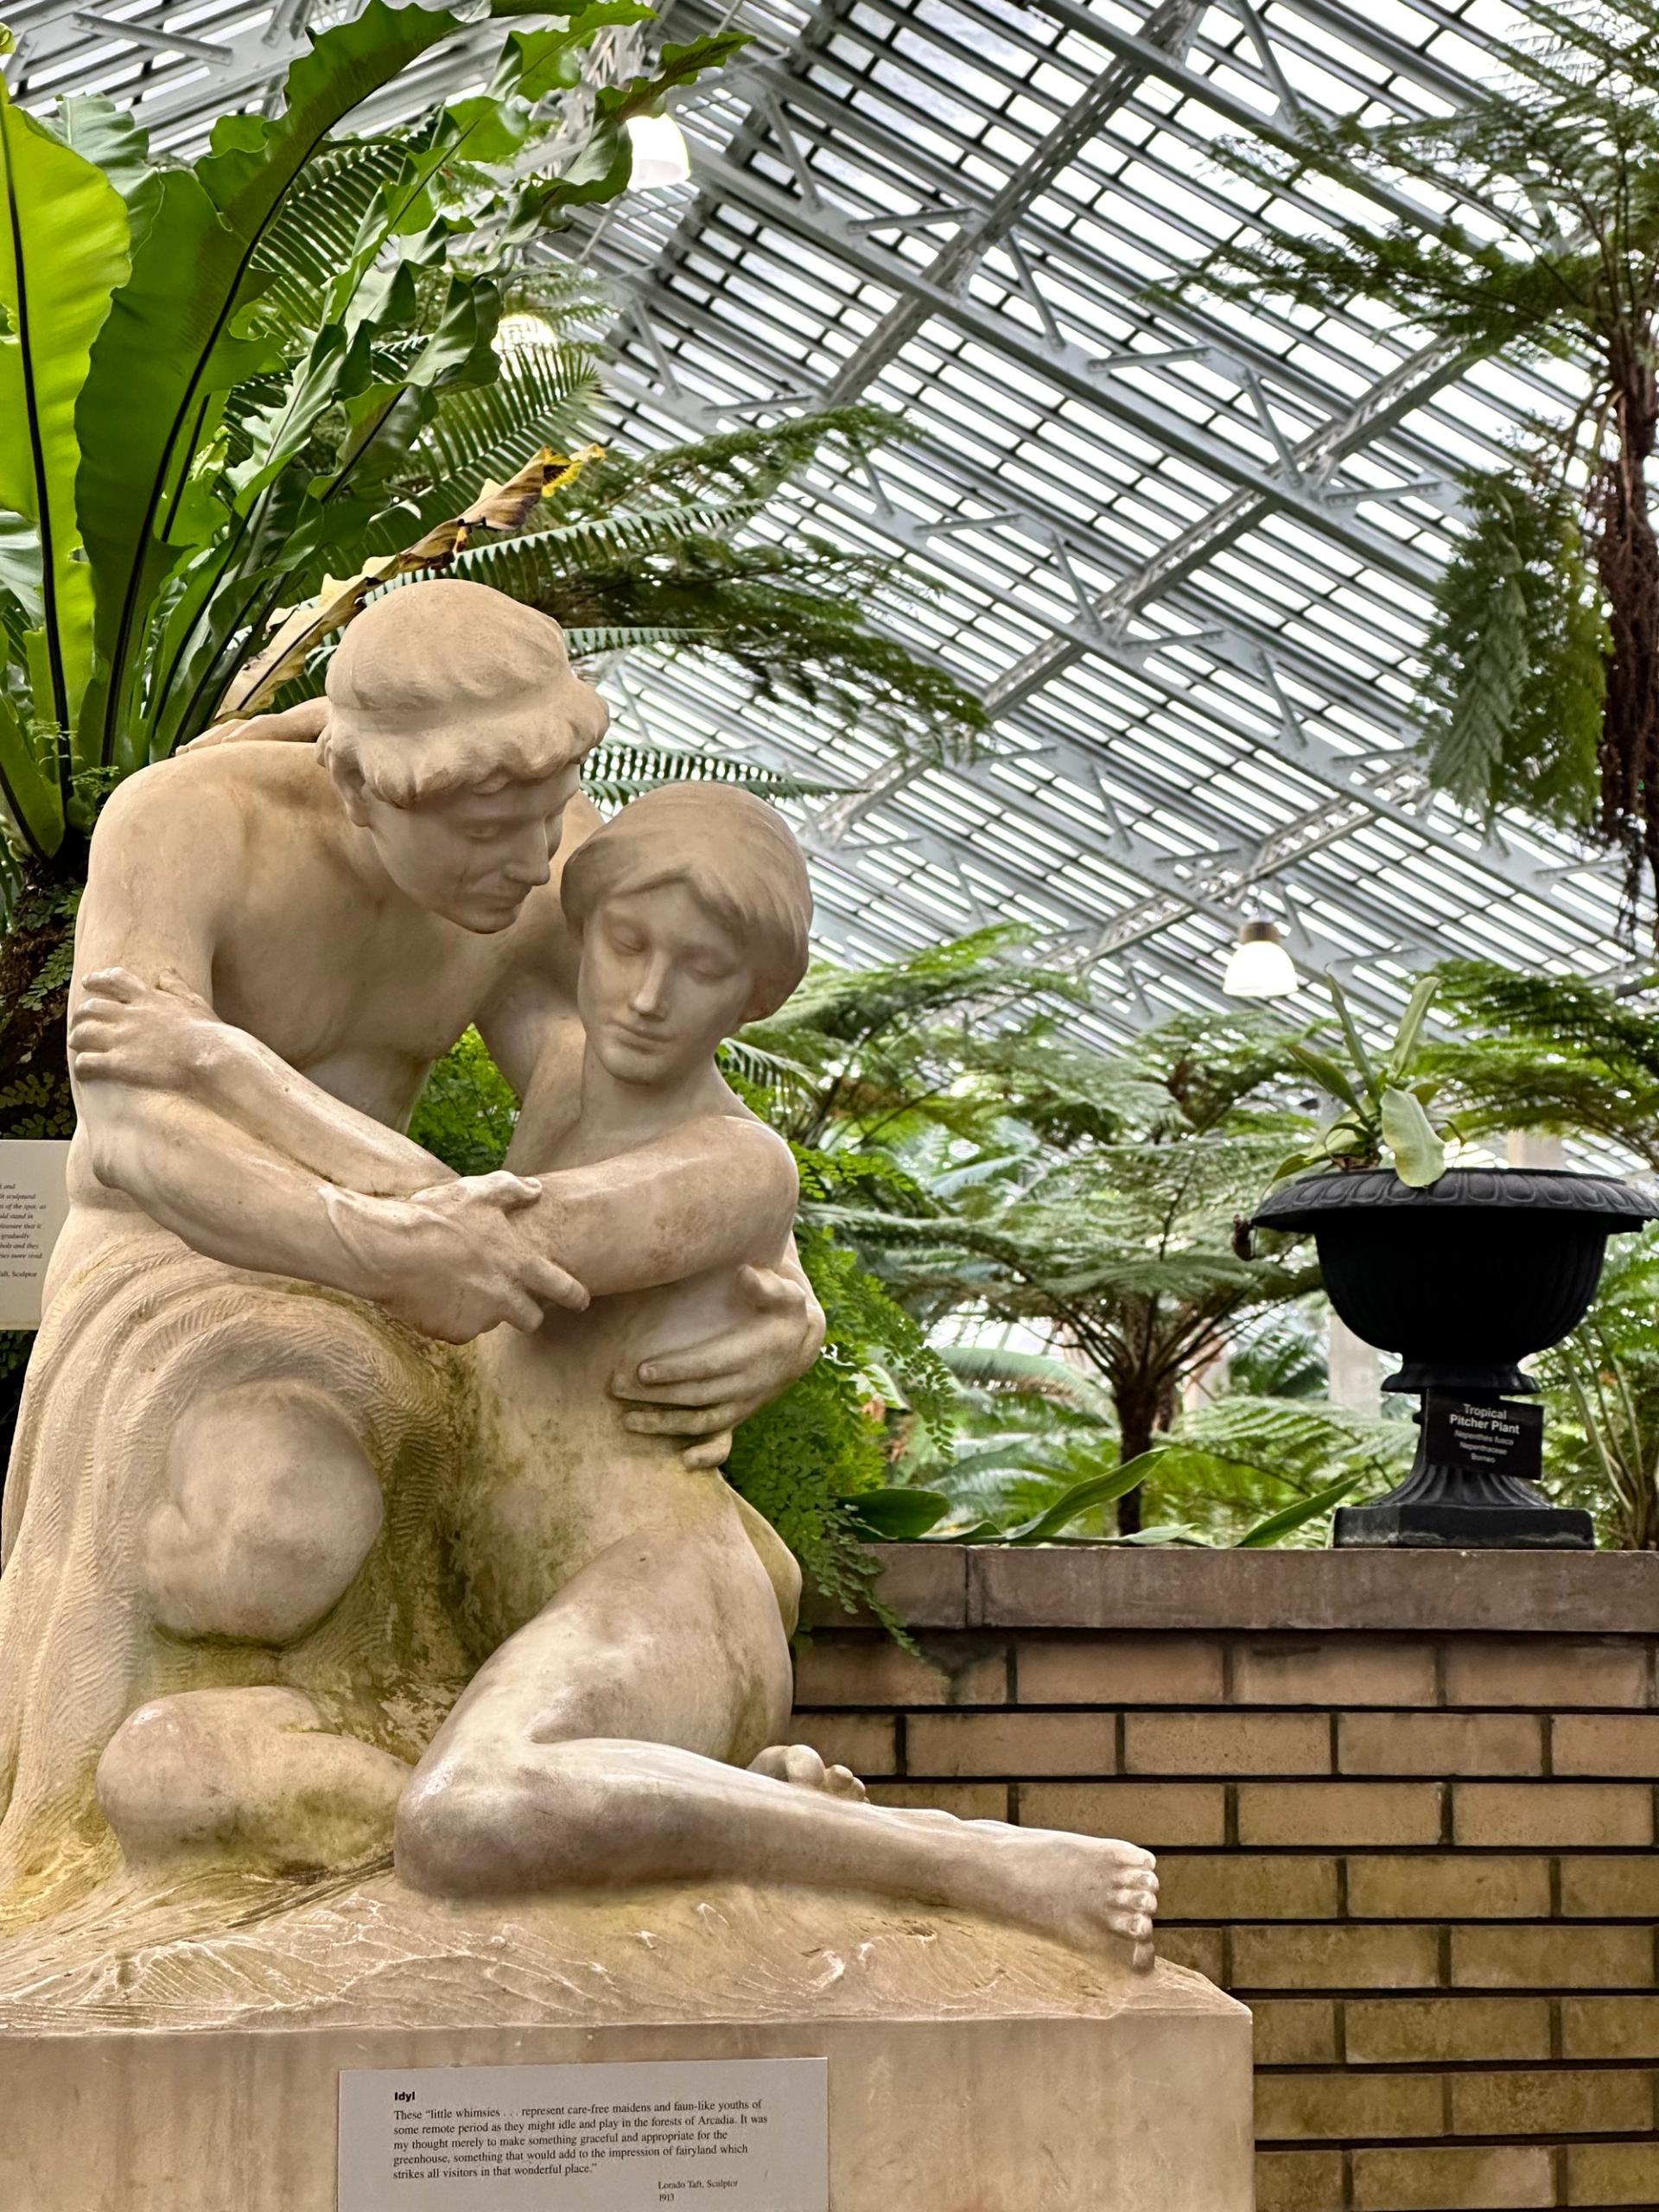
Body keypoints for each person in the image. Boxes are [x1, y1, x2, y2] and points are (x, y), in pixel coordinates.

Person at [87, 783, 1160, 1967]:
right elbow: (401, 790)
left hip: (660, 1601)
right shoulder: (556, 1076)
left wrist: (214, 1058)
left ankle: (965, 1861)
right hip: (526, 1611)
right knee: (165, 1767)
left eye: (700, 968)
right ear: (582, 928)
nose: (647, 995)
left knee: (466, 1818)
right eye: (626, 942)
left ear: (757, 995)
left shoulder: (737, 1166)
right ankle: (705, 1805)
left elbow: (470, 1243)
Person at [0, 581, 820, 1909]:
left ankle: (461, 1794)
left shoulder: (544, 864)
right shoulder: (190, 829)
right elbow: (140, 1135)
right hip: (185, 1270)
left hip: (427, 1282)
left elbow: (617, 1105)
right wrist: (379, 1242)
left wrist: (774, 1292)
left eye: (552, 812)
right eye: (491, 832)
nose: (531, 860)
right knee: (269, 1542)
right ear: (369, 794)